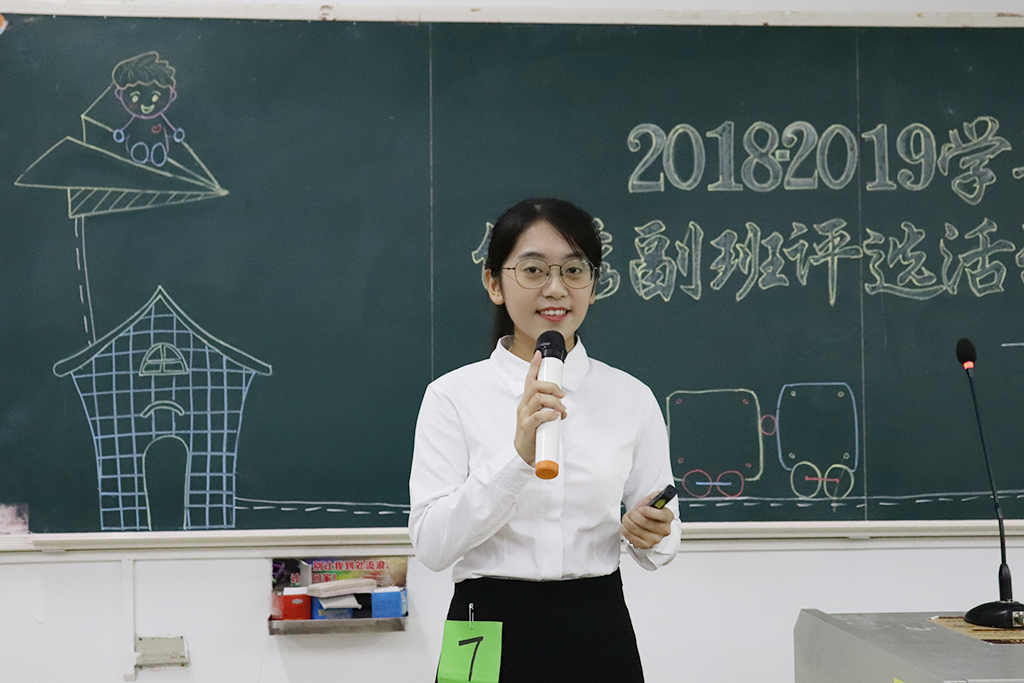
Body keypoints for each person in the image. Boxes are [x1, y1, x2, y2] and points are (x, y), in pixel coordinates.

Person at [409, 198, 681, 682]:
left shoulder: (631, 397)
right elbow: (432, 546)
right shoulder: (452, 396)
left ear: (593, 285)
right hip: (482, 622)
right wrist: (517, 457)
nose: (555, 289)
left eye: (574, 270)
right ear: (494, 283)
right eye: (533, 270)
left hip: (597, 621)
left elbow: (664, 529)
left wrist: (651, 532)